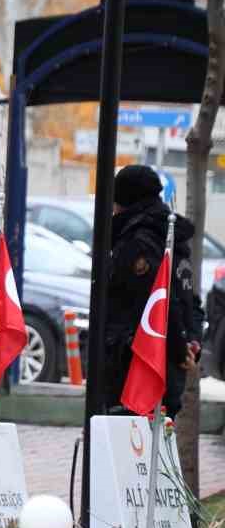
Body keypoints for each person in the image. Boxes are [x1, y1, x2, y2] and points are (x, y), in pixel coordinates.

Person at [101, 164, 203, 416]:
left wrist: (180, 350)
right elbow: (190, 301)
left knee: (131, 436)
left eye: (116, 201)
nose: (113, 208)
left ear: (125, 200)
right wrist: (191, 343)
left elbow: (159, 302)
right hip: (165, 365)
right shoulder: (171, 237)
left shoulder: (139, 241)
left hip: (138, 367)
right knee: (156, 434)